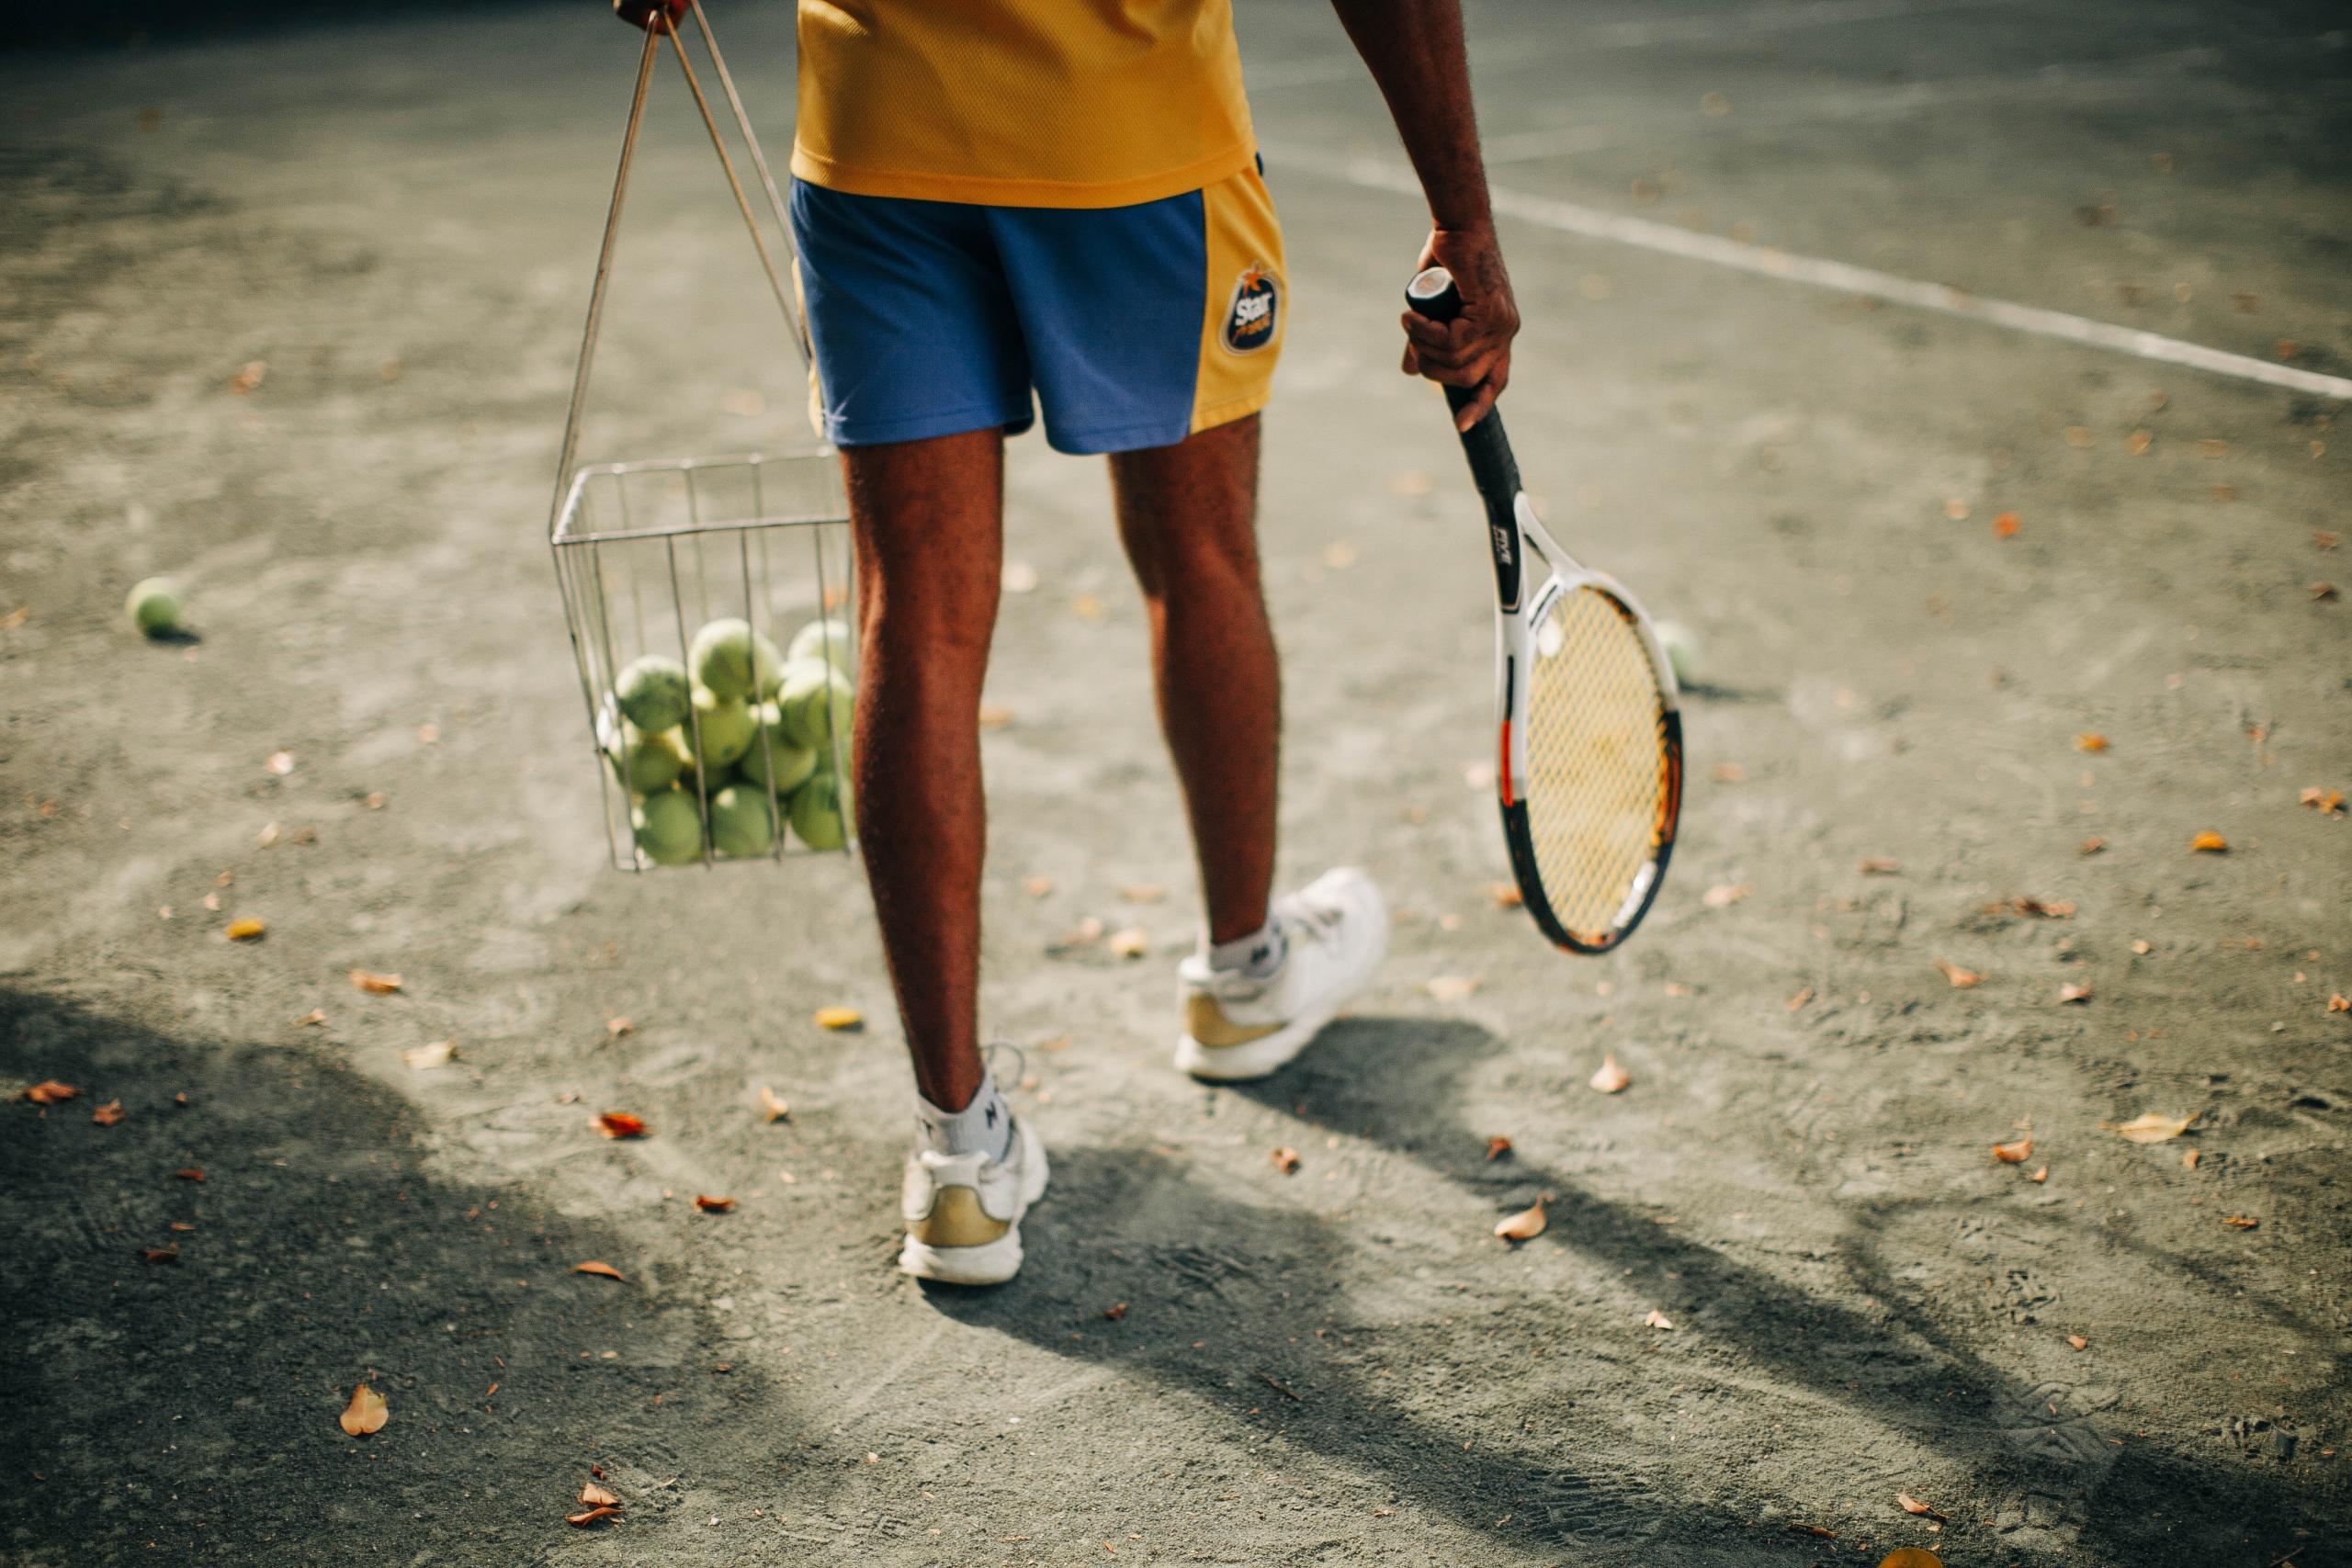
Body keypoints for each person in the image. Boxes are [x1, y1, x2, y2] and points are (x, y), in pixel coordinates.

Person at [780, 0, 1519, 1284]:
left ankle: (957, 1154)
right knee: (1201, 559)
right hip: (1131, 141)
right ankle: (1242, 979)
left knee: (918, 613)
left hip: (875, 132)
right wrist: (1464, 213)